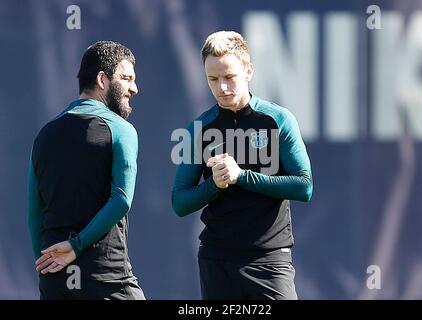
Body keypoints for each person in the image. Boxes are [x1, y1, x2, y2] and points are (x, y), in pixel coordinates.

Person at [171, 31, 313, 300]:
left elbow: (304, 186)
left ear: (248, 71)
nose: (222, 88)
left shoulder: (277, 119)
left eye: (229, 77)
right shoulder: (199, 129)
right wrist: (215, 184)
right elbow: (180, 202)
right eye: (213, 79)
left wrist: (242, 176)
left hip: (269, 259)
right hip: (217, 260)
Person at [28, 40, 145, 300]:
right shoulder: (121, 129)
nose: (134, 88)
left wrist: (46, 264)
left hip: (55, 282)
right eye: (126, 78)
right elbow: (122, 200)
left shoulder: (44, 135)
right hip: (107, 280)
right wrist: (75, 246)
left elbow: (34, 211)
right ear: (102, 79)